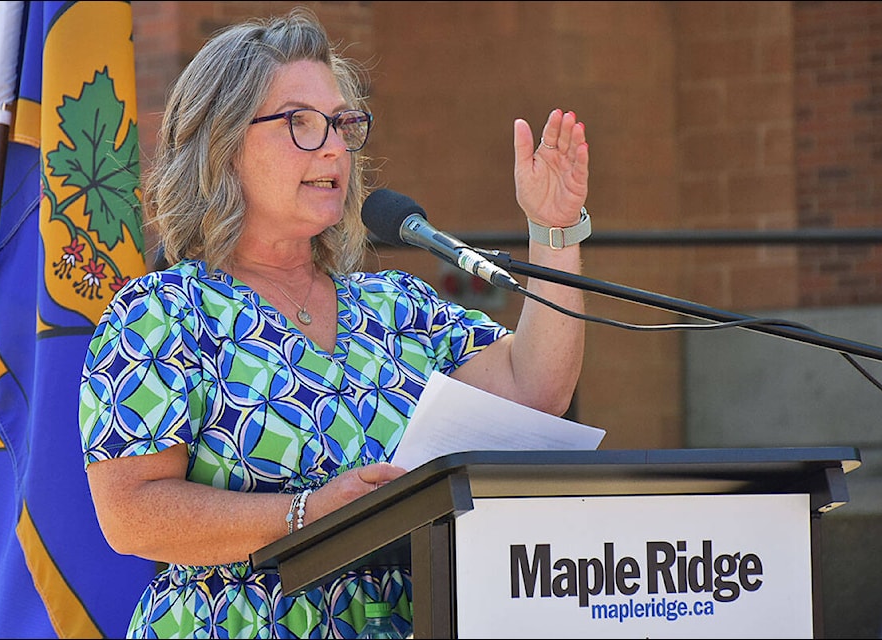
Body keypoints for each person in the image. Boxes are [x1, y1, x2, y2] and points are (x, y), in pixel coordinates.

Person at [78, 6, 589, 639]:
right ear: (223, 144)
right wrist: (304, 513)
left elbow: (534, 389)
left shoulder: (395, 305)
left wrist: (555, 229)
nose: (333, 146)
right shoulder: (161, 314)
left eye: (342, 124)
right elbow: (130, 514)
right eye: (301, 123)